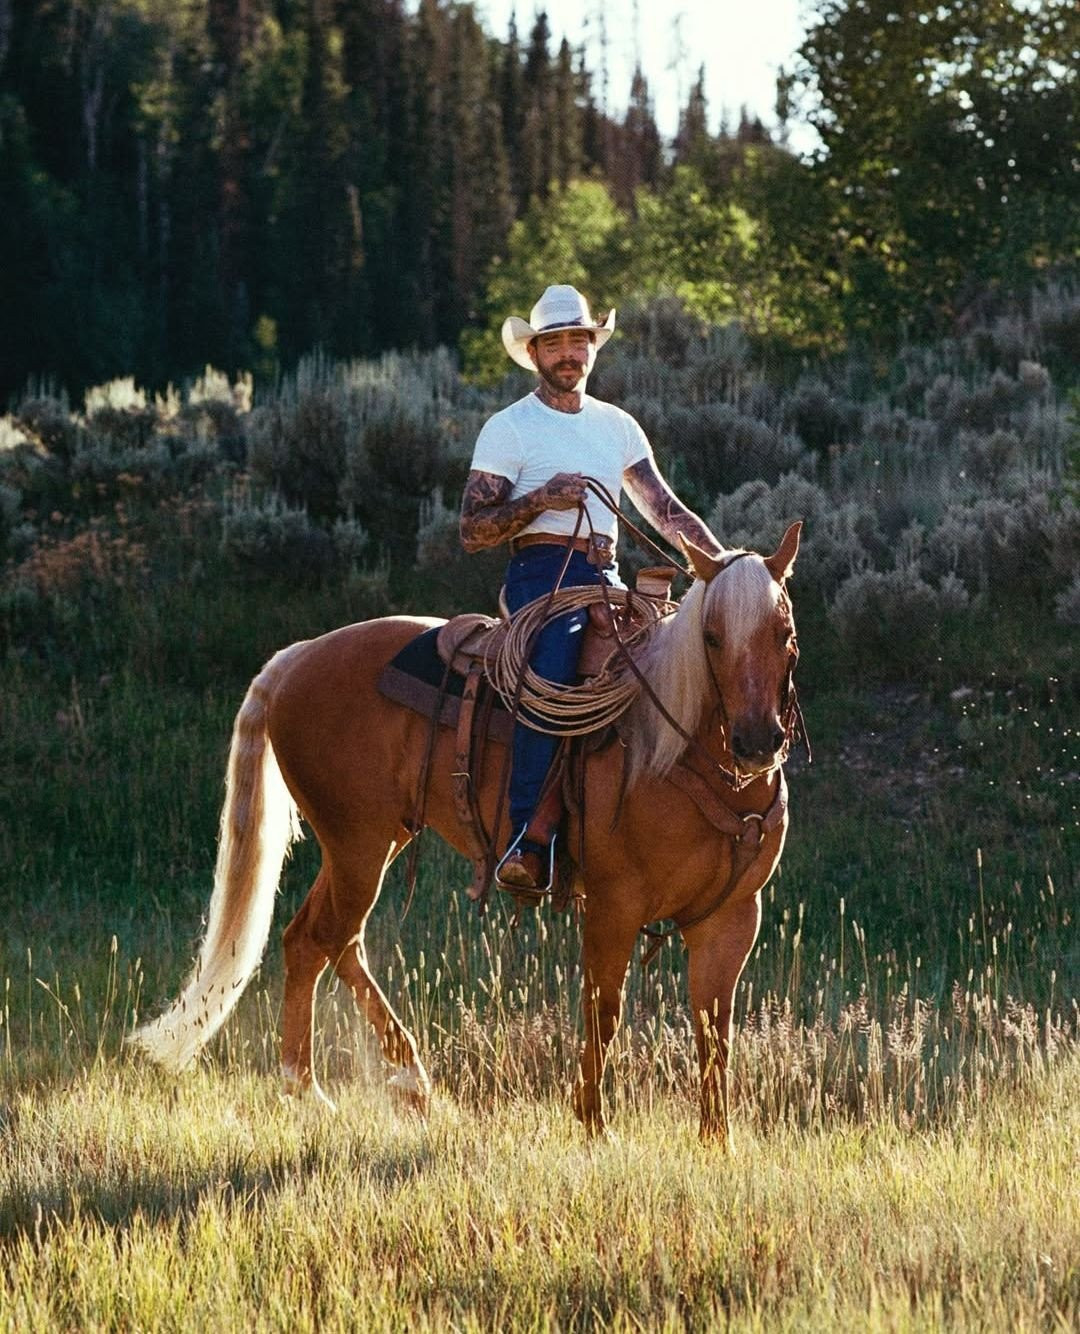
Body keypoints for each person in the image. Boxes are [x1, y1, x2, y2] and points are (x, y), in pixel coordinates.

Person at [459, 284, 721, 893]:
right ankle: (528, 837)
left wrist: (723, 564)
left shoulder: (617, 426)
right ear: (536, 353)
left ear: (593, 348)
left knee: (683, 658)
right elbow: (473, 530)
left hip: (604, 577)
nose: (569, 353)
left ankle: (659, 835)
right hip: (539, 577)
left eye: (579, 340)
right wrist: (541, 500)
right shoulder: (509, 429)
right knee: (556, 666)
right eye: (556, 343)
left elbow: (666, 511)